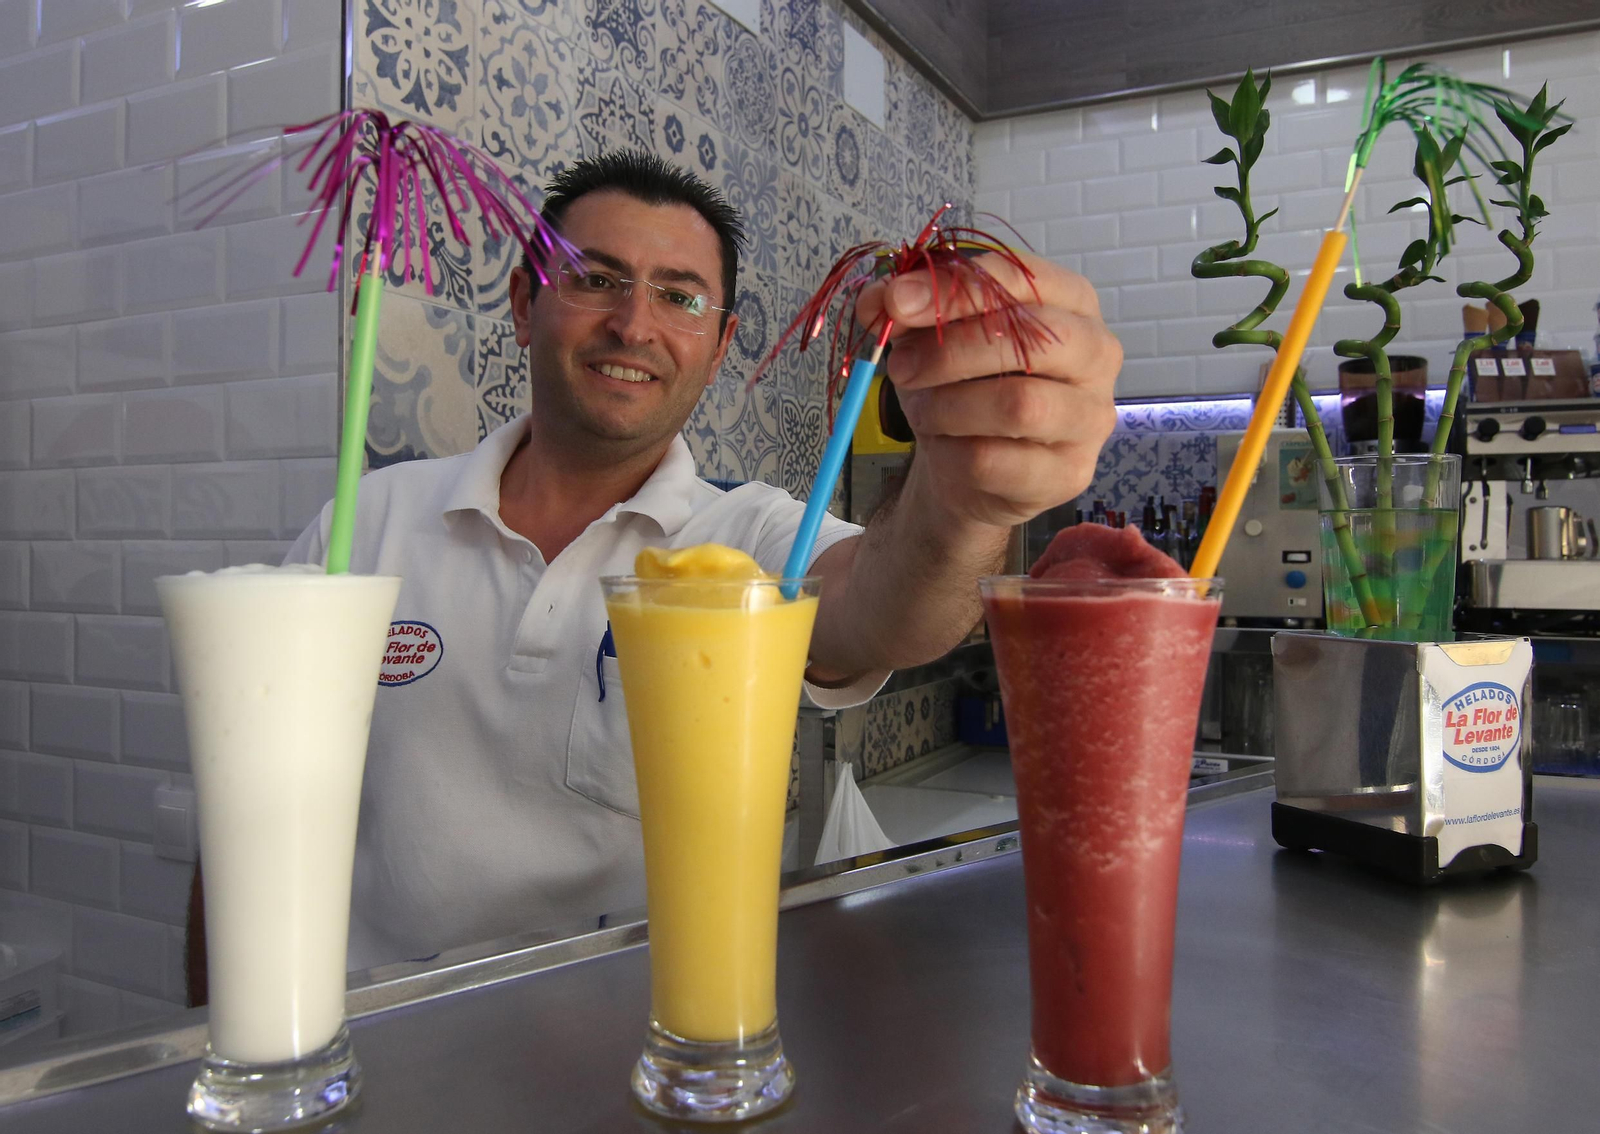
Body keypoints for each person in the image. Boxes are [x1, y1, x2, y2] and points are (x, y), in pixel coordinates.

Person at [186, 149, 1120, 992]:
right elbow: (245, 823)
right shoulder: (364, 527)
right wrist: (213, 1038)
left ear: (719, 346)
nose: (634, 324)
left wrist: (960, 507)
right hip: (375, 1056)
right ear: (524, 303)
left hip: (643, 1059)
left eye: (680, 296)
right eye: (596, 279)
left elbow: (883, 606)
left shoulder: (741, 540)